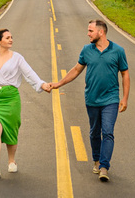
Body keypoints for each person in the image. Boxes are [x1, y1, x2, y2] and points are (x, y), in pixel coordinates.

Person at [49, 19, 130, 182]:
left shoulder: (118, 51)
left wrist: (125, 98)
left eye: (91, 31)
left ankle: (104, 166)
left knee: (107, 132)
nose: (88, 34)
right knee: (94, 132)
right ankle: (96, 160)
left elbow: (125, 74)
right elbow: (76, 70)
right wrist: (58, 84)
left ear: (101, 32)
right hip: (92, 98)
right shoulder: (87, 50)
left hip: (111, 99)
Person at [0, 28, 51, 177]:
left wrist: (42, 84)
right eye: (7, 38)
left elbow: (29, 73)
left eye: (11, 37)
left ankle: (12, 161)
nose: (11, 40)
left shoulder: (17, 58)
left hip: (11, 98)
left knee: (11, 130)